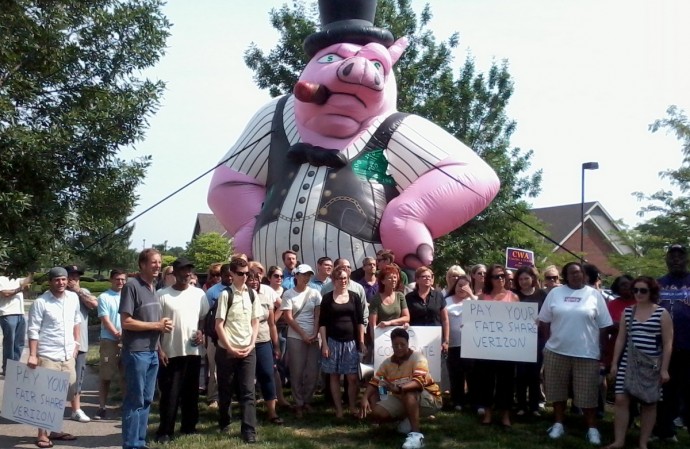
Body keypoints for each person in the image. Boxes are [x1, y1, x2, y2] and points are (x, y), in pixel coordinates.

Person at [537, 261, 612, 445]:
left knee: (587, 395)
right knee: (557, 392)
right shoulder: (555, 293)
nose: (576, 275)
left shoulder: (594, 295)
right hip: (556, 351)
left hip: (586, 353)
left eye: (579, 272)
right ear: (565, 276)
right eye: (571, 273)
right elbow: (544, 320)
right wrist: (548, 343)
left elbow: (604, 326)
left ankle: (592, 429)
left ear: (584, 275)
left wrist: (603, 351)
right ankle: (558, 424)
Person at [606, 277, 672, 449]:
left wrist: (664, 369)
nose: (638, 294)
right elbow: (620, 339)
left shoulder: (661, 313)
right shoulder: (628, 312)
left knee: (649, 403)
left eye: (643, 290)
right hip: (628, 363)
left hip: (651, 365)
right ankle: (619, 441)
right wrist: (614, 363)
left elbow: (667, 343)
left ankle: (643, 443)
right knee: (620, 399)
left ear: (652, 292)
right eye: (635, 290)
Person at [119, 248, 173, 449]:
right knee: (135, 400)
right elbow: (126, 322)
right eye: (153, 262)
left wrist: (159, 348)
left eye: (160, 262)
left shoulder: (153, 288)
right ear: (142, 264)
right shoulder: (131, 287)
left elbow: (152, 322)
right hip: (136, 352)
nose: (158, 265)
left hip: (151, 352)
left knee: (148, 399)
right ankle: (131, 445)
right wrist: (157, 326)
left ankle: (140, 442)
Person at [155, 258, 209, 443]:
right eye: (183, 271)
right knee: (170, 394)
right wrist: (159, 349)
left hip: (192, 352)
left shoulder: (199, 294)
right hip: (170, 352)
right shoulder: (162, 295)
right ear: (174, 273)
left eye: (189, 271)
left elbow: (203, 318)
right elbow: (155, 325)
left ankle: (189, 427)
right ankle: (165, 431)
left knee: (191, 392)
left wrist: (201, 332)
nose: (187, 274)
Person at [359, 327, 442, 449]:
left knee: (409, 392)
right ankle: (406, 419)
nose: (399, 348)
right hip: (403, 398)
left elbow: (418, 383)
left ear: (408, 344)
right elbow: (375, 382)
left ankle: (416, 435)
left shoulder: (418, 358)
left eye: (402, 344)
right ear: (391, 345)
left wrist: (399, 388)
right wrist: (365, 398)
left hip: (430, 399)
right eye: (395, 345)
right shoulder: (387, 363)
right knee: (378, 412)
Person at [27, 267, 81, 448]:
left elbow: (76, 321)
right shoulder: (41, 302)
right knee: (46, 395)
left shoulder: (73, 298)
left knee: (66, 392)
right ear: (50, 282)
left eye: (64, 279)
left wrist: (76, 344)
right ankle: (42, 434)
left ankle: (55, 429)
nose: (61, 283)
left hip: (67, 355)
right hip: (48, 354)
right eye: (57, 280)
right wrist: (33, 355)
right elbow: (33, 329)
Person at [215, 257, 262, 443]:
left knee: (248, 390)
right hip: (227, 349)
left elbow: (255, 321)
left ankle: (249, 430)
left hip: (248, 349)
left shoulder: (252, 294)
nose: (244, 277)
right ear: (231, 274)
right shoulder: (226, 295)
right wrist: (230, 348)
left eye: (247, 274)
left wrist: (251, 344)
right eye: (240, 274)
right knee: (225, 388)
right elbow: (219, 325)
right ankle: (225, 421)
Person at [654, 244, 690, 442]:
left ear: (686, 259)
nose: (676, 259)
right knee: (665, 391)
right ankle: (665, 431)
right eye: (672, 256)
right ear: (667, 260)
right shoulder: (658, 284)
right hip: (663, 348)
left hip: (688, 346)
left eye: (680, 256)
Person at [319, 265, 366, 418]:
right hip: (332, 341)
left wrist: (361, 341)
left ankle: (352, 407)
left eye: (345, 278)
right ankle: (339, 409)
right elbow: (322, 323)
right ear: (334, 280)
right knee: (334, 375)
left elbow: (360, 321)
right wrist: (324, 344)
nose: (343, 281)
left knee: (352, 377)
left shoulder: (354, 297)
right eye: (339, 278)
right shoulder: (327, 298)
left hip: (351, 342)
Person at [476, 264, 519, 427]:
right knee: (486, 381)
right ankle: (487, 413)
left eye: (502, 276)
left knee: (506, 382)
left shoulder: (513, 297)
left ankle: (505, 415)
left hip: (507, 348)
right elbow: (475, 320)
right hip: (486, 348)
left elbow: (519, 321)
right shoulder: (482, 297)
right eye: (496, 276)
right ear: (490, 279)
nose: (500, 279)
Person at [281, 264, 322, 417]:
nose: (306, 277)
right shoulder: (288, 294)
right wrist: (303, 334)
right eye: (303, 274)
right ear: (296, 276)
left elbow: (318, 315)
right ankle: (298, 402)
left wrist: (314, 333)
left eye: (308, 275)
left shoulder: (315, 293)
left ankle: (307, 401)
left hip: (313, 337)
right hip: (296, 336)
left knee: (312, 372)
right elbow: (288, 318)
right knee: (296, 371)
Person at [246, 268, 284, 424]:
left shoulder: (266, 295)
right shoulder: (239, 296)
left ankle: (272, 412)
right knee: (247, 379)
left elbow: (272, 324)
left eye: (256, 279)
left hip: (263, 341)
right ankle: (247, 412)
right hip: (246, 342)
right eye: (250, 279)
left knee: (268, 375)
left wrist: (276, 346)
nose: (254, 282)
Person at [64, 264, 98, 424]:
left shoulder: (83, 293)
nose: (73, 279)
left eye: (76, 276)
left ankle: (76, 409)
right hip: (59, 344)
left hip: (80, 343)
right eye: (70, 276)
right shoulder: (58, 293)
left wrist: (78, 290)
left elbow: (94, 304)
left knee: (77, 378)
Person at [514, 266, 547, 417]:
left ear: (533, 279)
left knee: (535, 374)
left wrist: (540, 321)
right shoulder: (513, 295)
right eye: (520, 279)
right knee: (520, 374)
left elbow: (548, 314)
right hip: (518, 340)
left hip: (537, 339)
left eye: (526, 278)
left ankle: (534, 406)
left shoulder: (542, 295)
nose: (523, 282)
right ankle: (521, 405)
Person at [94, 269, 127, 420]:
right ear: (111, 280)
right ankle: (102, 407)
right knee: (106, 376)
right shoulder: (104, 297)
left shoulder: (128, 295)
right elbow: (105, 320)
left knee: (125, 376)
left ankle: (126, 405)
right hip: (109, 340)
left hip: (127, 341)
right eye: (117, 279)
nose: (120, 282)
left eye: (122, 279)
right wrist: (117, 334)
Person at [444, 274, 476, 411]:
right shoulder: (446, 301)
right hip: (452, 344)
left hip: (470, 344)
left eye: (465, 285)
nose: (461, 288)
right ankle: (457, 401)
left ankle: (473, 400)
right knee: (455, 373)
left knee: (471, 374)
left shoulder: (473, 301)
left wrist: (471, 295)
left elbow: (482, 312)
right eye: (459, 285)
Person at [203, 263, 232, 409]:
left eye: (231, 275)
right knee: (214, 367)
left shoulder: (239, 290)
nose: (230, 278)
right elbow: (207, 316)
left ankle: (229, 395)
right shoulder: (212, 292)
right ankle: (213, 397)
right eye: (226, 275)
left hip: (232, 334)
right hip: (214, 335)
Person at [405, 266, 449, 354]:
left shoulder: (438, 295)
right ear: (417, 280)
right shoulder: (409, 298)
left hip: (435, 340)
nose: (428, 278)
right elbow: (406, 318)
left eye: (430, 276)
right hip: (415, 340)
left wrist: (446, 340)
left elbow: (445, 320)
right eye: (424, 276)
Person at [0, 268, 32, 376]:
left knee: (19, 343)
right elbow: (5, 294)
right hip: (7, 314)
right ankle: (7, 369)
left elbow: (27, 281)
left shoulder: (17, 279)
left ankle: (15, 367)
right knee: (10, 342)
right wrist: (20, 289)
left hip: (20, 314)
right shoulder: (1, 279)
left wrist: (32, 269)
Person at [369, 265, 410, 331]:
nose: (393, 280)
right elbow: (372, 325)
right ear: (383, 281)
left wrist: (389, 323)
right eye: (390, 278)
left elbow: (406, 317)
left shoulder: (400, 296)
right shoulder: (376, 299)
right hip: (381, 335)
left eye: (395, 277)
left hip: (398, 334)